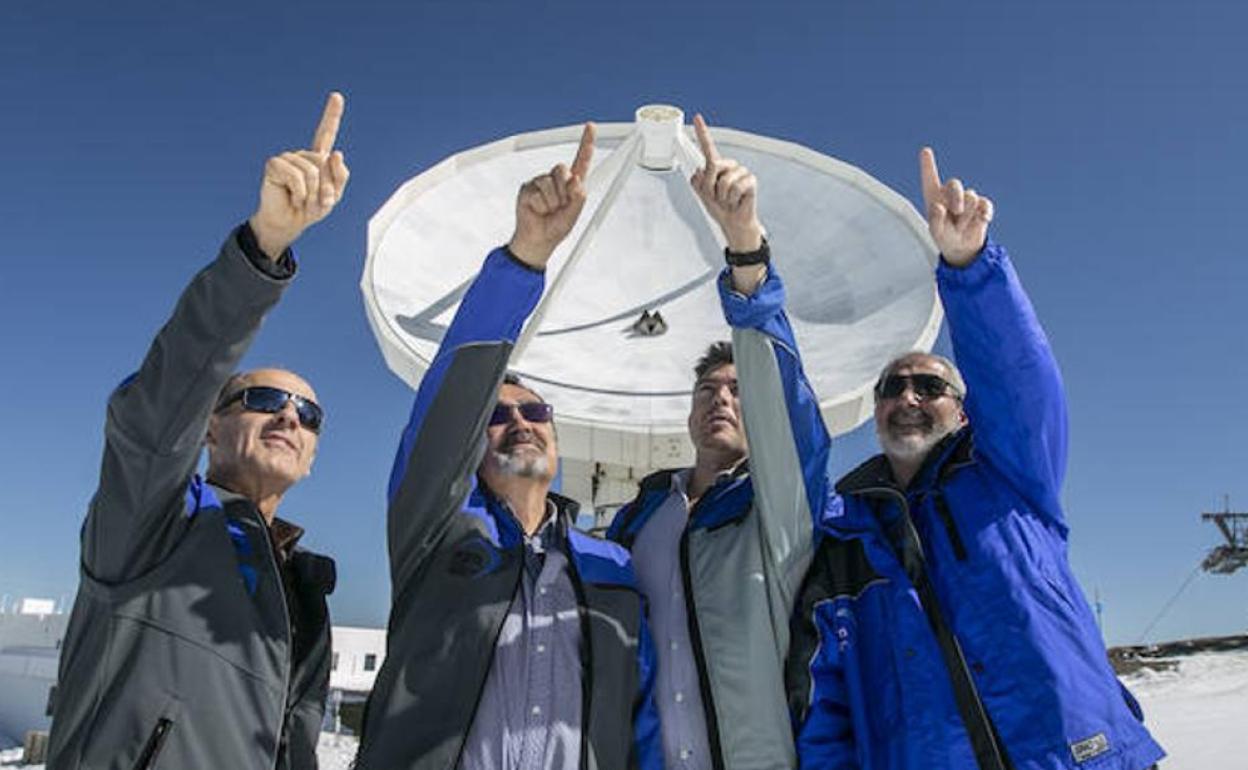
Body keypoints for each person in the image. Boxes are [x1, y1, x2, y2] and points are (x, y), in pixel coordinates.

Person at [787, 148, 1164, 769]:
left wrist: (969, 269)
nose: (909, 397)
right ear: (875, 412)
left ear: (963, 412)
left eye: (930, 386)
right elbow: (827, 705)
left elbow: (1018, 381)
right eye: (892, 388)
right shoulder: (844, 540)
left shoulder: (1009, 479)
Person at [46, 93, 350, 770]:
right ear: (209, 426)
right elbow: (161, 401)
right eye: (264, 400)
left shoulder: (306, 589)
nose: (289, 416)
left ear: (313, 454)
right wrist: (263, 249)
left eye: (308, 414)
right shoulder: (154, 521)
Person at [354, 124, 662, 770]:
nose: (520, 421)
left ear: (557, 436)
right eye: (496, 415)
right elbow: (449, 406)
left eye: (535, 411)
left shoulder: (615, 567)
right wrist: (524, 260)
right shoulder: (436, 532)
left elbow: (644, 720)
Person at [607, 115, 830, 770]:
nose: (720, 401)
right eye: (706, 390)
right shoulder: (636, 523)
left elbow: (786, 419)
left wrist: (745, 252)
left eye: (736, 390)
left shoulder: (776, 513)